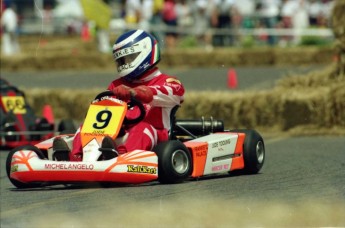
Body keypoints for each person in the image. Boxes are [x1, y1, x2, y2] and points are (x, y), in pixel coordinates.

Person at [53, 29, 185, 161]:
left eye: (128, 59)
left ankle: (122, 159)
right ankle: (75, 159)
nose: (124, 64)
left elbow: (162, 93)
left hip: (155, 138)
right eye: (121, 61)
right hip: (117, 133)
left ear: (144, 53)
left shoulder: (169, 82)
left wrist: (134, 92)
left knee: (141, 128)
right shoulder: (116, 85)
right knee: (85, 127)